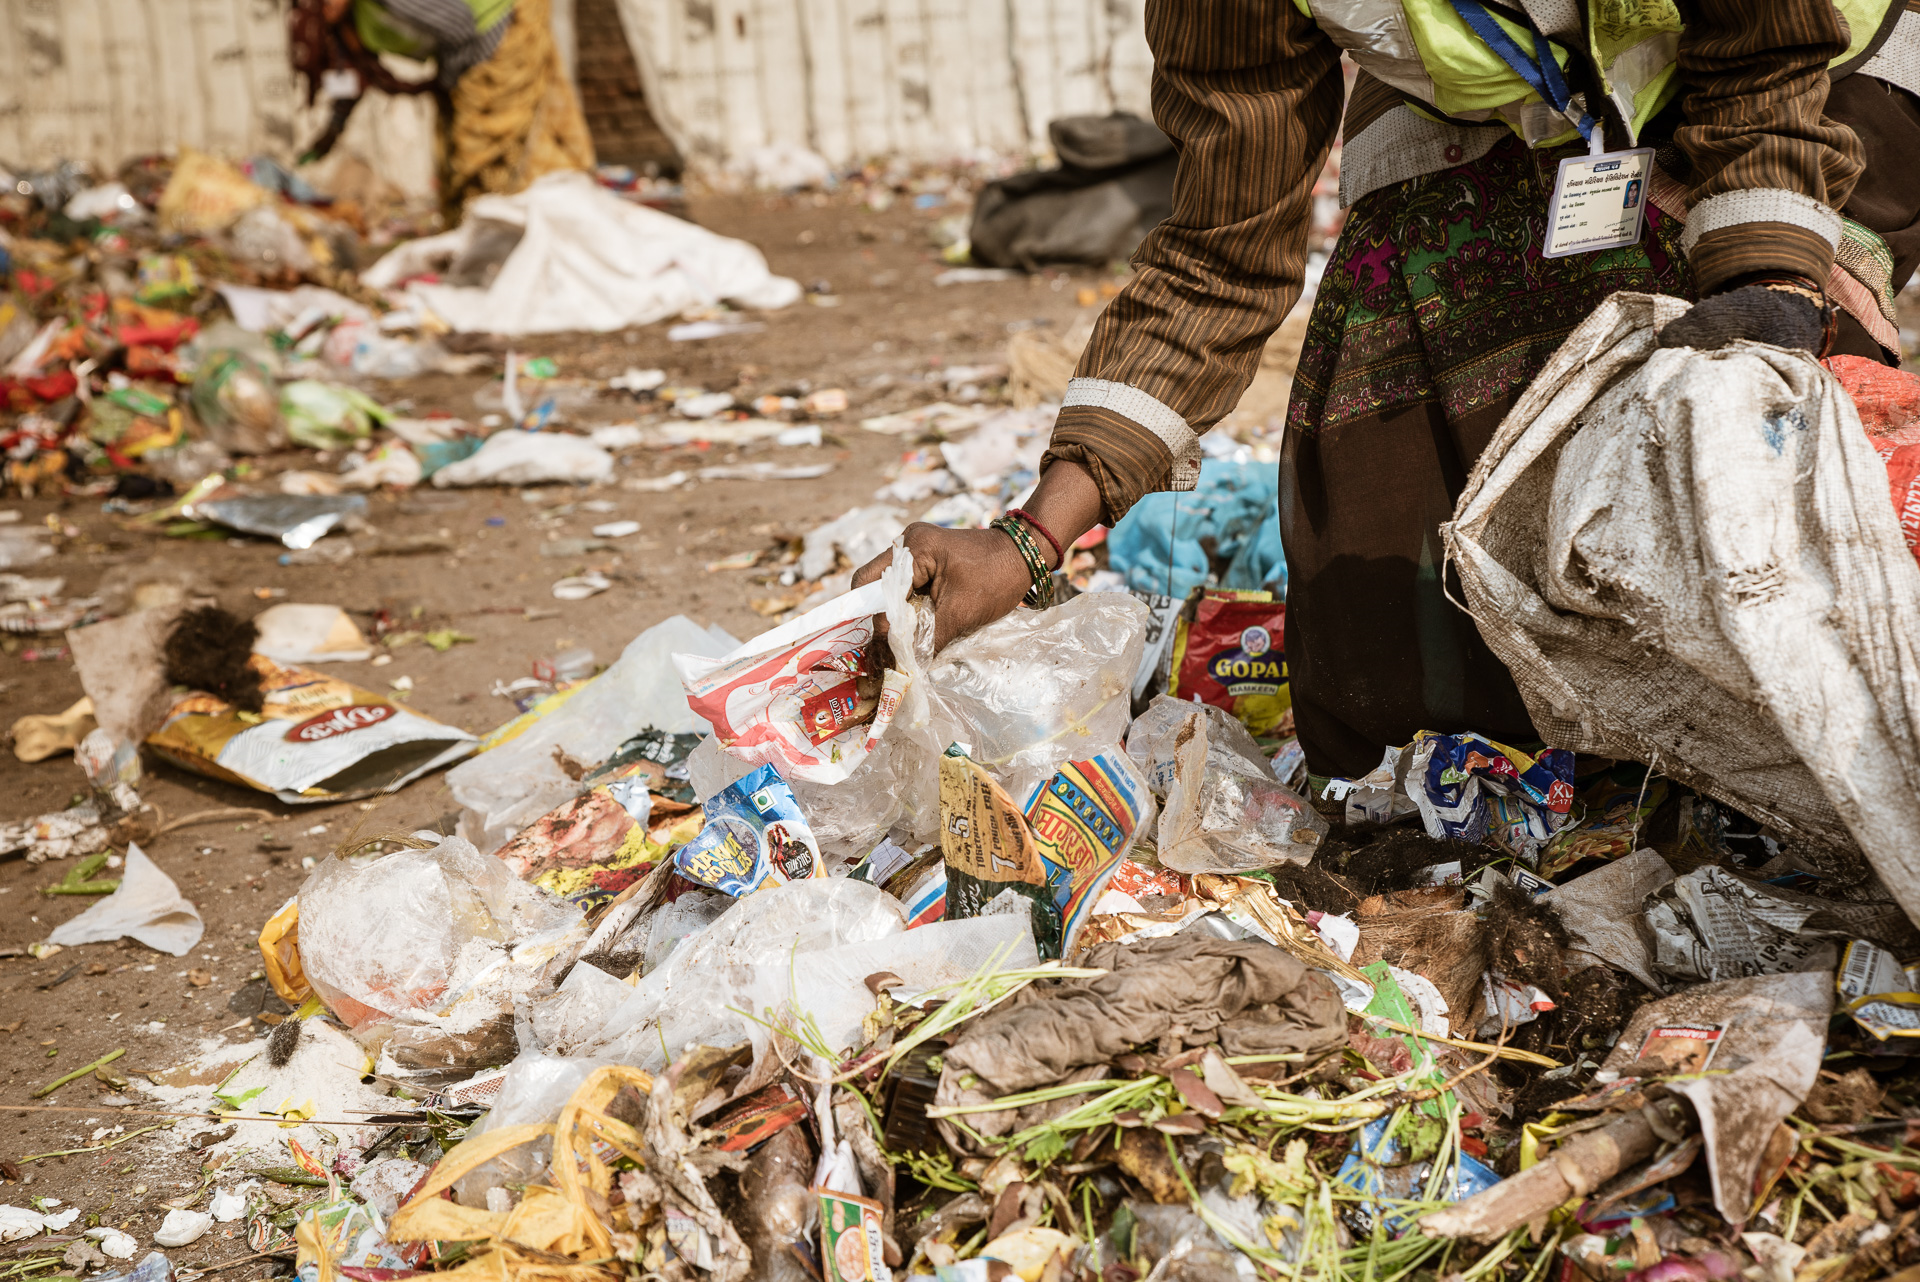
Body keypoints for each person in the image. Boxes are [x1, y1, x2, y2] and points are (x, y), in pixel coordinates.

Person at [857, 0, 1920, 784]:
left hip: (1811, 67)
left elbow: (1764, 60)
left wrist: (1770, 290)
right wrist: (1031, 539)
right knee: (1398, 671)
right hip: (1515, 102)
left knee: (1757, 477)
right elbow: (1221, 256)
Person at [288, 0, 594, 216]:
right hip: (464, 55)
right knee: (452, 153)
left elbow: (461, 27)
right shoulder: (344, 24)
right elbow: (351, 76)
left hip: (499, 28)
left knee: (480, 151)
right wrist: (333, 129)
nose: (326, 5)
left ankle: (514, 228)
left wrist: (450, 84)